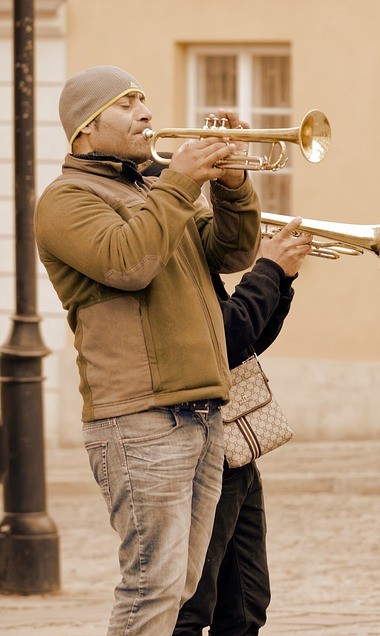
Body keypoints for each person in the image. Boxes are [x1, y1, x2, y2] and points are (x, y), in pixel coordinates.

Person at [35, 65, 262, 635]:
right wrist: (180, 183)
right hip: (139, 418)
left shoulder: (150, 189)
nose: (146, 112)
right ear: (86, 128)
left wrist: (232, 185)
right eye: (126, 102)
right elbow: (128, 263)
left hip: (202, 412)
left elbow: (232, 254)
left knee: (180, 585)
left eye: (143, 98)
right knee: (151, 587)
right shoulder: (66, 200)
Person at [174, 216, 313, 635]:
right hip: (196, 440)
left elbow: (244, 341)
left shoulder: (196, 259)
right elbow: (226, 337)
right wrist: (267, 270)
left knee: (248, 603)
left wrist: (282, 281)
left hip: (233, 445)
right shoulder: (168, 263)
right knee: (192, 605)